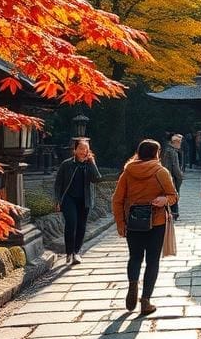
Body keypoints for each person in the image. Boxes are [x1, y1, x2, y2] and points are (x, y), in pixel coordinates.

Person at [112, 139, 178, 316]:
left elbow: (117, 200)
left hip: (133, 222)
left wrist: (120, 223)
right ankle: (146, 300)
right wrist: (164, 200)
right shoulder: (161, 172)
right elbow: (173, 196)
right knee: (152, 261)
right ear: (156, 153)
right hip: (156, 222)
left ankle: (133, 284)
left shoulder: (127, 172)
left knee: (134, 257)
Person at [53, 137, 103, 265]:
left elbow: (97, 179)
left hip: (84, 200)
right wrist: (57, 200)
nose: (83, 151)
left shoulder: (89, 164)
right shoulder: (66, 164)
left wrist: (91, 162)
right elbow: (58, 184)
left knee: (81, 227)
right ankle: (69, 252)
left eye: (86, 149)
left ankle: (76, 252)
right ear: (74, 150)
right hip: (68, 199)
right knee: (71, 223)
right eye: (80, 148)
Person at [161, 133, 185, 219]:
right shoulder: (172, 152)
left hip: (167, 175)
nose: (180, 144)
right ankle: (174, 213)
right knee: (174, 194)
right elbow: (175, 166)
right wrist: (180, 177)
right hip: (171, 176)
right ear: (175, 142)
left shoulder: (167, 149)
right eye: (179, 142)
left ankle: (173, 212)